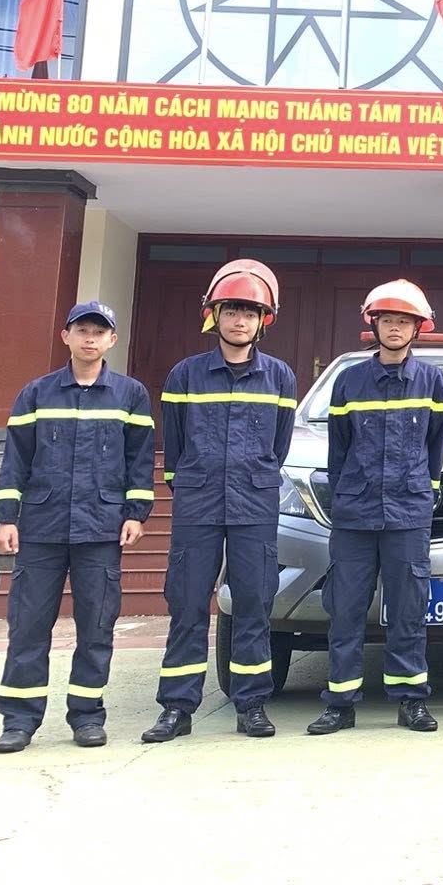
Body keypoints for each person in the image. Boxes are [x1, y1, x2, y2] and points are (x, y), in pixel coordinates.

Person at [0, 300, 155, 753]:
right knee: (27, 626)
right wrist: (5, 518)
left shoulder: (130, 395)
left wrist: (137, 512)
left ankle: (86, 715)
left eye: (99, 332)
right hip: (41, 528)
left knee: (97, 627)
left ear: (111, 340)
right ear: (66, 336)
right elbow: (15, 460)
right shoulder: (36, 394)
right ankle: (19, 720)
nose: (89, 338)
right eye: (82, 330)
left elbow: (139, 460)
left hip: (100, 529)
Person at [143, 259, 298, 744]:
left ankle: (251, 704)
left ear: (263, 321)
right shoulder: (185, 375)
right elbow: (176, 442)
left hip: (254, 504)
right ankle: (177, 707)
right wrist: (190, 483)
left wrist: (254, 479)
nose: (239, 321)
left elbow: (280, 445)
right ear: (214, 315)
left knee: (253, 604)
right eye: (231, 310)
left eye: (250, 313)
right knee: (187, 604)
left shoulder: (280, 378)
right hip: (199, 504)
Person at [307, 280, 443, 736]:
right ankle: (340, 704)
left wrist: (421, 492)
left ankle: (410, 701)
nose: (394, 328)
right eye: (387, 320)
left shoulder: (433, 381)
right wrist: (346, 494)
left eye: (403, 321)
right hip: (354, 514)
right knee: (346, 609)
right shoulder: (349, 381)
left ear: (417, 328)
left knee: (409, 609)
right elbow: (338, 449)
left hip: (408, 514)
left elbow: (437, 445)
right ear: (374, 325)